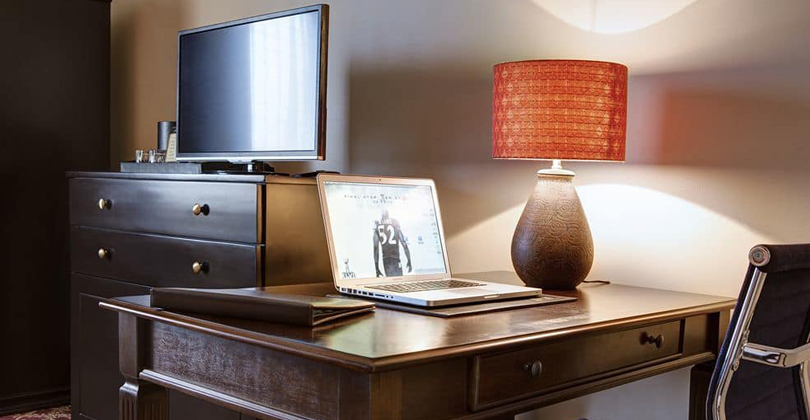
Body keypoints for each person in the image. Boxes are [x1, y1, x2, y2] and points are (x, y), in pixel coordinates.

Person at [373, 209, 412, 277]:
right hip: (396, 258)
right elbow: (404, 244)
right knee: (400, 282)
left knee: (392, 283)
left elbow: (376, 248)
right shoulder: (395, 223)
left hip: (386, 260)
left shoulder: (378, 225)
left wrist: (376, 267)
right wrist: (409, 260)